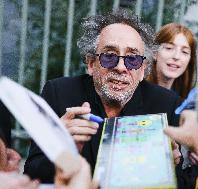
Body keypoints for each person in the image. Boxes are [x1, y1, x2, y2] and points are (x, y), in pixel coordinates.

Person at [24, 9, 184, 187]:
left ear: (142, 70)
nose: (121, 67)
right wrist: (58, 148)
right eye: (109, 56)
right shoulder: (59, 92)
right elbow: (32, 174)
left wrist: (171, 167)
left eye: (132, 59)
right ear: (91, 64)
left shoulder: (166, 104)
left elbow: (180, 182)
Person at [147, 23, 197, 99]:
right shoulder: (135, 92)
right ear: (154, 52)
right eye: (169, 48)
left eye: (184, 52)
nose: (176, 56)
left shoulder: (186, 101)